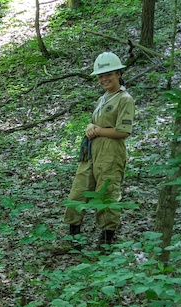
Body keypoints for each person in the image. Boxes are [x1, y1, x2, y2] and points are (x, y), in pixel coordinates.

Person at [63, 52, 135, 246]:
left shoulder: (124, 99)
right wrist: (90, 127)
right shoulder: (104, 98)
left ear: (118, 73)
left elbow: (124, 131)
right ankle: (73, 238)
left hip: (111, 152)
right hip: (92, 152)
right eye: (101, 76)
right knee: (79, 191)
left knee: (107, 192)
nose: (104, 79)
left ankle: (106, 240)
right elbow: (96, 123)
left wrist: (98, 130)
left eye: (108, 74)